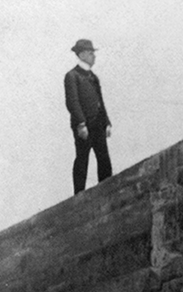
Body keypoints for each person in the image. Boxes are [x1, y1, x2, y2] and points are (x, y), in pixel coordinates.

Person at [64, 39, 113, 195]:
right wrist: (81, 124)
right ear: (83, 54)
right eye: (91, 53)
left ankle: (106, 190)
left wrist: (107, 122)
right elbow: (72, 102)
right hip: (84, 125)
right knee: (82, 159)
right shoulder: (72, 76)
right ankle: (78, 194)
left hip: (98, 123)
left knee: (103, 158)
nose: (94, 57)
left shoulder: (93, 77)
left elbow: (100, 101)